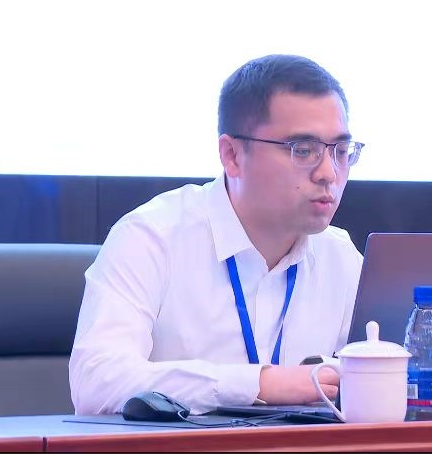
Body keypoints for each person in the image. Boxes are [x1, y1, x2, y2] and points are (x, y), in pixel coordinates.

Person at [69, 54, 365, 415]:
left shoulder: (340, 256)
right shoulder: (151, 238)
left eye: (341, 151)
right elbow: (96, 383)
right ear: (232, 155)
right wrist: (259, 384)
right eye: (303, 151)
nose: (329, 173)